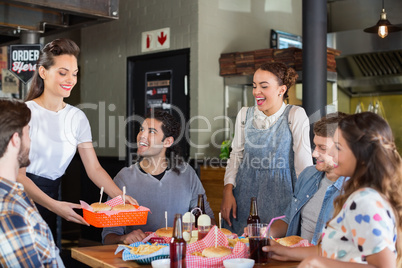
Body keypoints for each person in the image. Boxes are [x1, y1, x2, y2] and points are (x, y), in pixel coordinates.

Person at [17, 38, 137, 244]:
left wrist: (119, 196)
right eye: (63, 73)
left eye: (74, 74)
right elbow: (18, 176)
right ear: (43, 72)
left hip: (53, 197)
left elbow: (94, 169)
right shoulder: (25, 113)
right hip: (20, 200)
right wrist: (55, 206)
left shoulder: (77, 117)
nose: (70, 80)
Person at [263, 112, 401, 267]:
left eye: (339, 148)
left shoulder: (366, 200)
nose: (333, 155)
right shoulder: (359, 194)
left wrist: (316, 262)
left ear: (360, 155)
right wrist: (284, 252)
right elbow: (332, 250)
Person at [221, 62, 313, 235]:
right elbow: (236, 155)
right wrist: (228, 190)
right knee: (240, 249)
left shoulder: (295, 115)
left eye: (264, 86)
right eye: (254, 86)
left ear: (281, 89)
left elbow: (304, 167)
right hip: (244, 199)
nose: (256, 92)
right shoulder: (244, 114)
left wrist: (303, 206)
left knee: (273, 252)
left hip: (282, 199)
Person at [102, 110, 215, 244]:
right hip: (139, 257)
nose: (142, 135)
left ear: (167, 142)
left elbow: (208, 219)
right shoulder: (123, 178)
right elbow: (108, 237)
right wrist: (123, 238)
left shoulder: (187, 173)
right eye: (141, 129)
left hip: (179, 255)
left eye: (151, 131)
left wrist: (200, 231)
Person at [0, 99, 64, 267]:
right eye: (28, 133)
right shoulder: (9, 211)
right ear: (15, 140)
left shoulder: (14, 195)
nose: (31, 140)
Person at [268, 112, 347, 245]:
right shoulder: (308, 175)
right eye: (315, 146)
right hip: (297, 260)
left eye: (322, 148)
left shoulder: (355, 191)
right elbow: (289, 218)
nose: (314, 153)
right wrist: (263, 233)